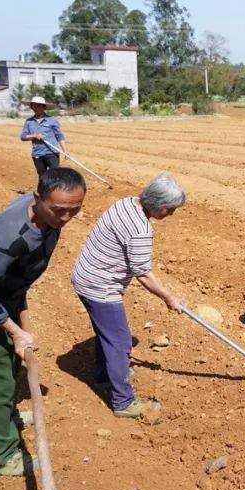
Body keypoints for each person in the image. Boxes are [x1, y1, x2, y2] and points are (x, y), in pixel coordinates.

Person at [0, 167, 86, 476]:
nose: (66, 218)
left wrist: (20, 321)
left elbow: (10, 280)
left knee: (10, 365)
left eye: (74, 211)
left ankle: (5, 416)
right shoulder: (11, 237)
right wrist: (15, 331)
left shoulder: (44, 213)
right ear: (38, 198)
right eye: (59, 210)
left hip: (3, 296)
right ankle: (2, 454)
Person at [71, 174, 187, 418]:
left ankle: (105, 375)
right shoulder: (140, 229)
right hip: (99, 286)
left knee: (108, 335)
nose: (171, 215)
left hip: (85, 275)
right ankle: (123, 402)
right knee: (120, 341)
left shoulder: (126, 202)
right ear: (160, 206)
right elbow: (143, 273)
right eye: (170, 210)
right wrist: (169, 297)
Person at [19, 96, 66, 182]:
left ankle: (54, 194)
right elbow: (22, 136)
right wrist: (34, 136)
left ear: (43, 107)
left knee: (54, 175)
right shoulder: (29, 122)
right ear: (32, 107)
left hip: (52, 152)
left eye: (38, 106)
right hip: (37, 153)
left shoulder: (52, 120)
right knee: (42, 177)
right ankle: (43, 194)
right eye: (34, 106)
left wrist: (65, 151)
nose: (36, 108)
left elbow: (59, 136)